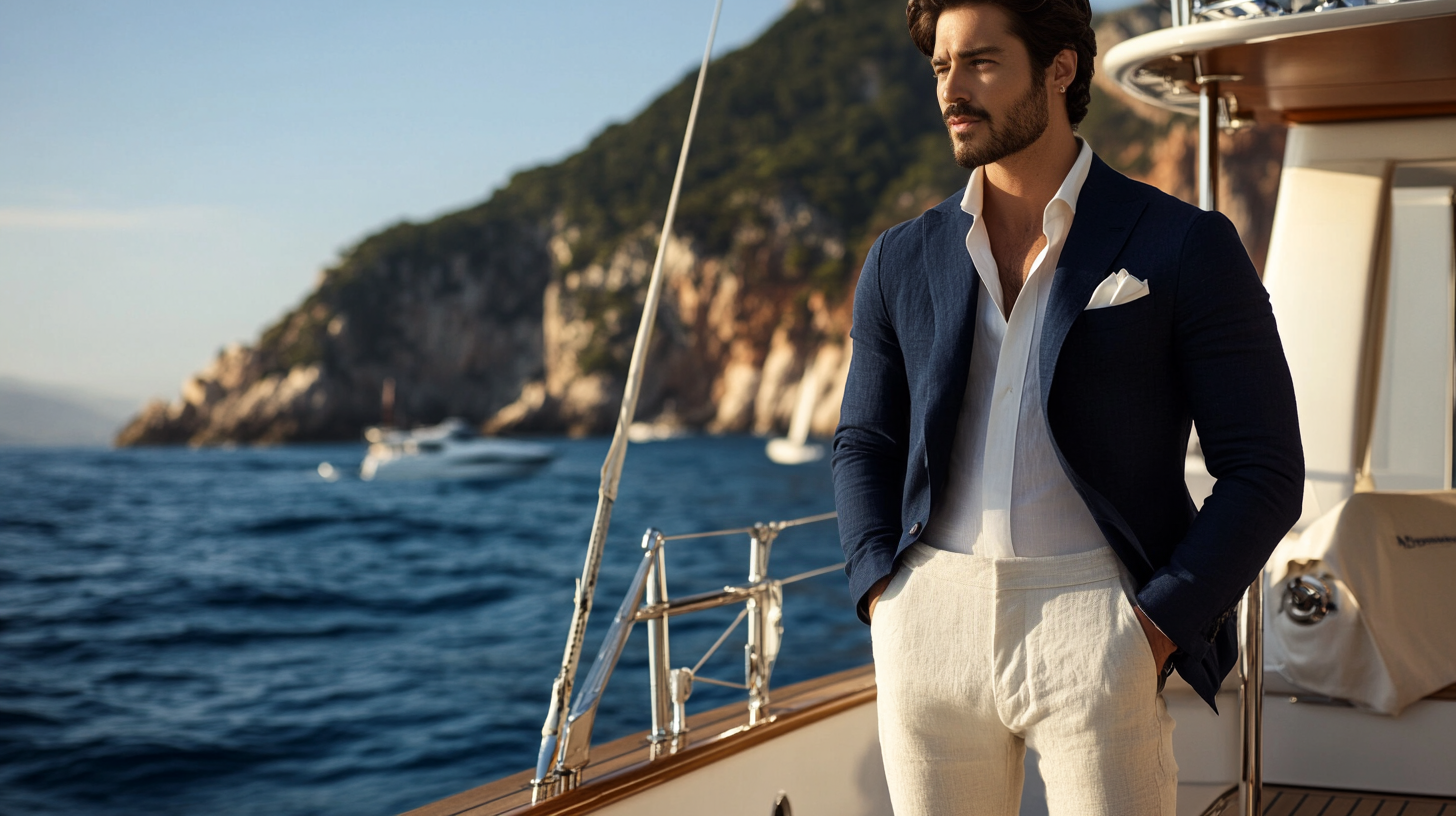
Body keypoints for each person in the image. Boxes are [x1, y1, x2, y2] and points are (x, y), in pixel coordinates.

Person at [830, 0, 1304, 813]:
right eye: (942, 66)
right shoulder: (898, 260)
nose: (952, 90)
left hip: (1101, 623)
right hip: (927, 626)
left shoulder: (1184, 244)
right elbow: (864, 441)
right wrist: (885, 596)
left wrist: (1152, 631)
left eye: (981, 62)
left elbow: (1264, 470)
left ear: (1060, 68)